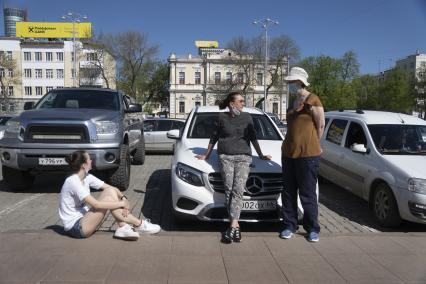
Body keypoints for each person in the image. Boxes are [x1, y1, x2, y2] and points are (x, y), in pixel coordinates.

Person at [196, 92, 272, 243]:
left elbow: (253, 137)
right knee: (229, 189)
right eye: (241, 101)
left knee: (238, 189)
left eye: (243, 101)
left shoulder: (247, 117)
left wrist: (261, 155)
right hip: (225, 157)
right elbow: (214, 136)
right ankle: (235, 227)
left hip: (244, 157)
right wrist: (206, 154)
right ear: (232, 103)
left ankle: (232, 226)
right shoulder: (221, 117)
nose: (243, 103)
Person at [59, 150, 161, 240]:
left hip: (85, 219)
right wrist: (122, 204)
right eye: (89, 159)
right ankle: (139, 224)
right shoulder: (73, 181)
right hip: (77, 228)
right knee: (108, 198)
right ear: (83, 165)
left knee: (110, 191)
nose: (91, 161)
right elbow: (96, 205)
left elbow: (112, 188)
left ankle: (123, 227)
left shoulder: (87, 177)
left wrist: (124, 198)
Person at [280, 67, 325, 242]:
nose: (289, 85)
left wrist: (315, 144)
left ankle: (312, 228)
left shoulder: (313, 100)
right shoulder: (293, 101)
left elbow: (320, 125)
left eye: (291, 82)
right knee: (289, 192)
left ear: (299, 82)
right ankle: (289, 225)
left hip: (308, 154)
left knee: (307, 193)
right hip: (289, 152)